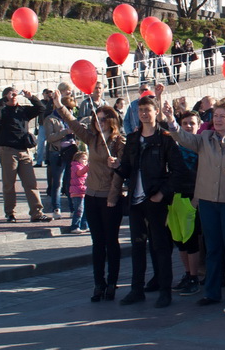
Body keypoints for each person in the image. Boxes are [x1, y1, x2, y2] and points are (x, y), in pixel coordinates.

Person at [165, 99, 225, 314]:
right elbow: (183, 137)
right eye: (215, 116)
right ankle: (212, 292)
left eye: (222, 116)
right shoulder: (204, 138)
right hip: (207, 201)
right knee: (213, 248)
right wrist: (170, 119)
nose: (218, 120)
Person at [110, 96, 185, 308]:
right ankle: (136, 289)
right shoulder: (133, 139)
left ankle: (164, 291)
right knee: (137, 246)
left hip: (156, 200)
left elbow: (178, 171)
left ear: (155, 112)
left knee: (161, 247)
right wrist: (116, 165)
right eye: (141, 110)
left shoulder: (165, 139)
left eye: (148, 110)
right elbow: (127, 169)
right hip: (135, 201)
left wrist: (162, 193)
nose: (144, 113)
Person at [51, 94, 126, 302]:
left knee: (111, 241)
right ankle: (98, 283)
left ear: (111, 121)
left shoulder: (119, 141)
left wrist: (116, 169)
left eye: (103, 119)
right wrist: (59, 105)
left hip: (109, 198)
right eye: (96, 119)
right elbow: (74, 124)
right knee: (97, 242)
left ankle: (112, 283)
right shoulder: (92, 139)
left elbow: (120, 174)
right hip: (91, 195)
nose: (99, 122)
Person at [0, 87, 51, 223]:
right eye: (11, 95)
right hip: (8, 151)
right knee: (9, 185)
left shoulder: (22, 110)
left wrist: (31, 97)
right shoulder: (2, 111)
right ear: (5, 97)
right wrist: (5, 99)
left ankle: (37, 213)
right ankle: (10, 213)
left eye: (15, 95)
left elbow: (41, 109)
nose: (14, 97)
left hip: (24, 151)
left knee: (31, 183)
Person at [170, 110, 202, 297]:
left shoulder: (202, 146)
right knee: (180, 240)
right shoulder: (175, 146)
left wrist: (196, 199)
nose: (188, 126)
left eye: (192, 123)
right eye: (185, 123)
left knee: (191, 240)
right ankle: (187, 274)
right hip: (176, 197)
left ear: (199, 125)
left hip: (193, 197)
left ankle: (194, 277)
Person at [69, 151, 90, 234]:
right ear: (77, 159)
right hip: (77, 192)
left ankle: (84, 225)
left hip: (83, 191)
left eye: (86, 160)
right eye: (83, 159)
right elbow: (80, 173)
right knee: (79, 210)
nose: (85, 161)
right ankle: (75, 226)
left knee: (85, 209)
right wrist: (88, 167)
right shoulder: (76, 166)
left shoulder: (82, 167)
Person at [34, 89, 54, 167]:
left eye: (50, 93)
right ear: (43, 94)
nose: (48, 95)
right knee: (41, 144)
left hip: (51, 125)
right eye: (47, 93)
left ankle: (48, 160)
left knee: (50, 143)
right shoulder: (41, 102)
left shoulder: (53, 102)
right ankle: (39, 162)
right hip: (42, 124)